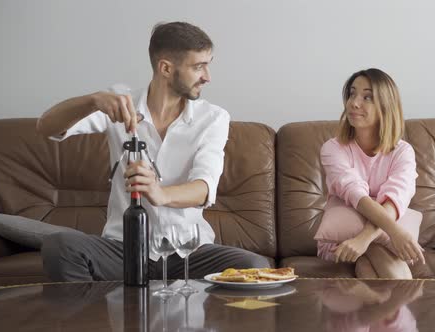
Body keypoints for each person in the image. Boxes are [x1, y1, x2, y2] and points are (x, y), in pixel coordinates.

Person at [36, 21, 269, 282]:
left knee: (254, 265)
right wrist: (93, 100)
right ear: (166, 68)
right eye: (198, 66)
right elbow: (46, 127)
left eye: (208, 64)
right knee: (61, 247)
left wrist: (161, 194)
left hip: (189, 253)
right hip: (124, 250)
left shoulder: (213, 118)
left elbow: (204, 186)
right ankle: (95, 319)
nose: (207, 76)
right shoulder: (119, 104)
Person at [318, 68, 425, 278]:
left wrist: (364, 239)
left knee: (370, 269)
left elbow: (397, 197)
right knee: (381, 255)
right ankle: (405, 306)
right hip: (341, 240)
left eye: (367, 97)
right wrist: (394, 232)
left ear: (386, 105)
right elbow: (355, 194)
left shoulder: (403, 152)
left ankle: (386, 308)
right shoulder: (332, 149)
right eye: (352, 93)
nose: (354, 103)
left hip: (367, 243)